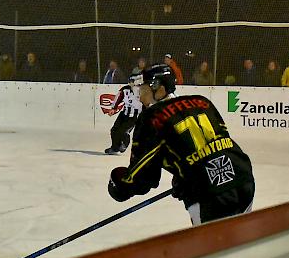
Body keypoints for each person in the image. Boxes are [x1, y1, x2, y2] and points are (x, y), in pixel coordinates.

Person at [108, 64, 255, 225]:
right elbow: (219, 145)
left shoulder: (151, 118)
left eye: (143, 90)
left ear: (160, 90)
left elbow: (144, 177)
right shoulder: (202, 101)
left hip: (209, 193)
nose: (140, 96)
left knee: (215, 247)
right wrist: (184, 174)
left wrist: (121, 186)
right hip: (242, 177)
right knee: (241, 241)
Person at [105, 73, 143, 155]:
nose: (130, 82)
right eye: (130, 80)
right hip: (124, 113)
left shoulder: (143, 90)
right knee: (114, 130)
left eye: (132, 81)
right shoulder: (125, 89)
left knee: (124, 131)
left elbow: (148, 102)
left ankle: (124, 145)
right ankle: (115, 147)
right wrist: (113, 108)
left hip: (134, 116)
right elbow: (118, 98)